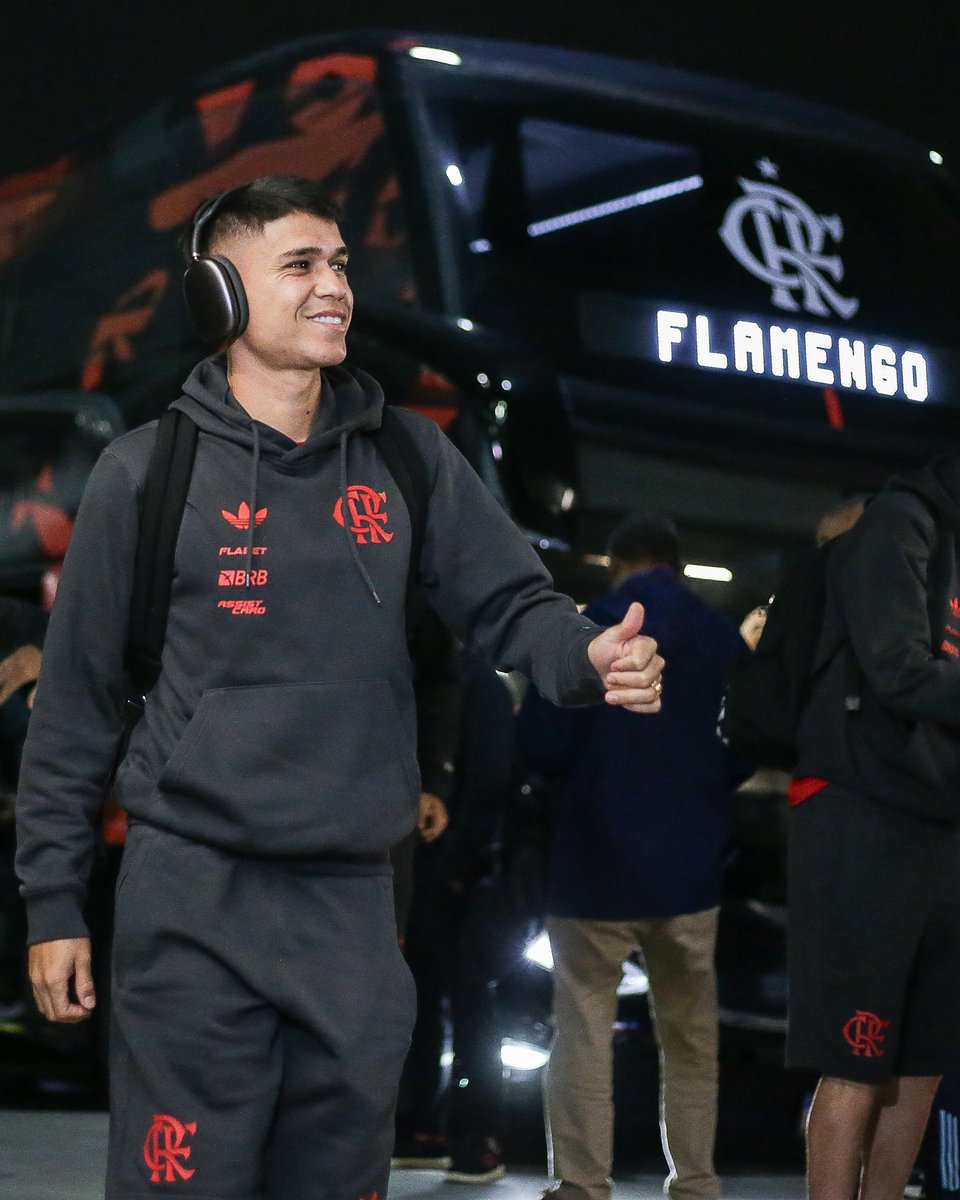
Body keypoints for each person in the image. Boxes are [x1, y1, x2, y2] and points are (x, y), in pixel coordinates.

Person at [15, 174, 664, 1200]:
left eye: (342, 265)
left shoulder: (411, 457)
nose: (336, 289)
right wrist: (52, 902)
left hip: (354, 908)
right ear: (219, 294)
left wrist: (586, 656)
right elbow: (80, 705)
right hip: (192, 898)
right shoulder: (146, 474)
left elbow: (514, 606)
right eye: (301, 265)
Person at [518, 510, 747, 1200]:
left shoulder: (584, 631)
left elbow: (542, 746)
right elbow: (746, 737)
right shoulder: (717, 637)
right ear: (675, 564)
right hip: (690, 866)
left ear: (617, 565)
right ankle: (697, 1181)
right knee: (690, 1039)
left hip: (592, 864)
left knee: (583, 1030)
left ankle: (584, 1184)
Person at [789, 460, 960, 1200]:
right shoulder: (902, 521)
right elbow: (896, 669)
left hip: (944, 817)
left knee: (923, 1061)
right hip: (868, 806)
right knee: (858, 1054)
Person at [393, 649, 515, 1183]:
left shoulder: (472, 682)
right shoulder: (469, 680)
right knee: (437, 1001)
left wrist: (460, 864)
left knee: (468, 1005)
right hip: (438, 871)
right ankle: (432, 1129)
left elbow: (489, 781)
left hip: (455, 874)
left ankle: (471, 1134)